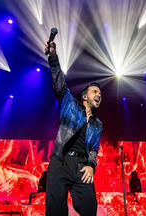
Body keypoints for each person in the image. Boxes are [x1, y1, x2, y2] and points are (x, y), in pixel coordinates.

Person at [44, 41, 103, 216]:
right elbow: (59, 81)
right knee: (55, 210)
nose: (99, 95)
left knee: (89, 208)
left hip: (81, 166)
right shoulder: (69, 103)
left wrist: (91, 166)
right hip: (60, 161)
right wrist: (53, 58)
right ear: (85, 96)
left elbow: (93, 150)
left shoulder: (98, 124)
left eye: (100, 94)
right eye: (95, 92)